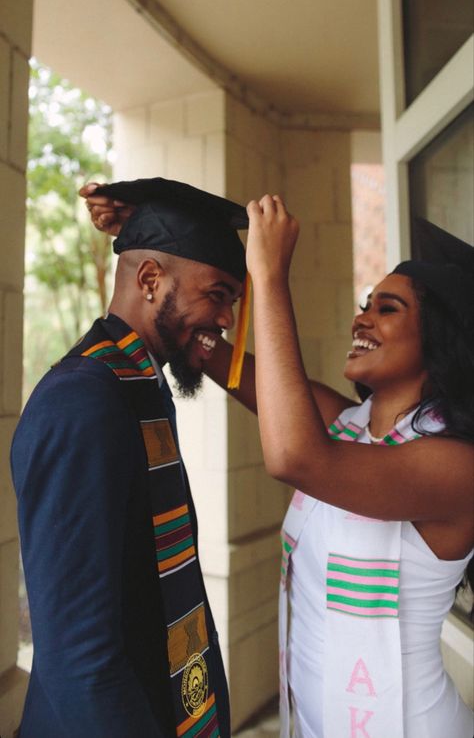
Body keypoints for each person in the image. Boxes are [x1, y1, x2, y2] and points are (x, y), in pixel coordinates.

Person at [85, 187, 474, 738]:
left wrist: (268, 275)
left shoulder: (457, 467)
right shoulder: (348, 428)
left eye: (388, 309)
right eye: (366, 303)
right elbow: (207, 347)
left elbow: (295, 456)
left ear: (443, 340)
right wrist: (154, 233)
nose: (362, 319)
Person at [11, 177, 253, 738]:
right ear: (148, 280)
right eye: (218, 294)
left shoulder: (139, 384)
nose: (225, 320)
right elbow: (79, 659)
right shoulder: (83, 400)